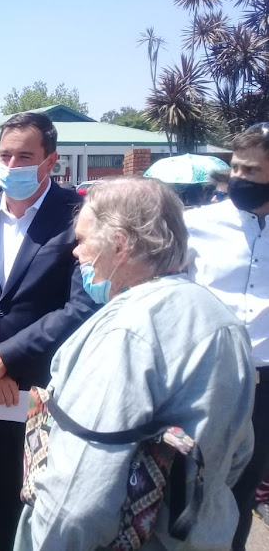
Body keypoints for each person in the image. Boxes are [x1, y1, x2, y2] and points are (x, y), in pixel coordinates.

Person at [16, 177, 255, 550]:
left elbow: (80, 497)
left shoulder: (125, 332)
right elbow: (238, 454)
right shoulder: (221, 320)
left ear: (120, 245)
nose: (76, 253)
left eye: (81, 240)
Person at [0, 112, 97, 551]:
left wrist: (5, 357)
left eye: (25, 155)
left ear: (51, 161)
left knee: (51, 507)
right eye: (5, 155)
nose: (12, 164)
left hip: (47, 394)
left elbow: (82, 304)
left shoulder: (79, 217)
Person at [184, 122, 269, 550]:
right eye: (235, 168)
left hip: (264, 386)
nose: (239, 179)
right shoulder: (196, 225)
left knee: (243, 488)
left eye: (252, 172)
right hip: (206, 378)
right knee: (187, 482)